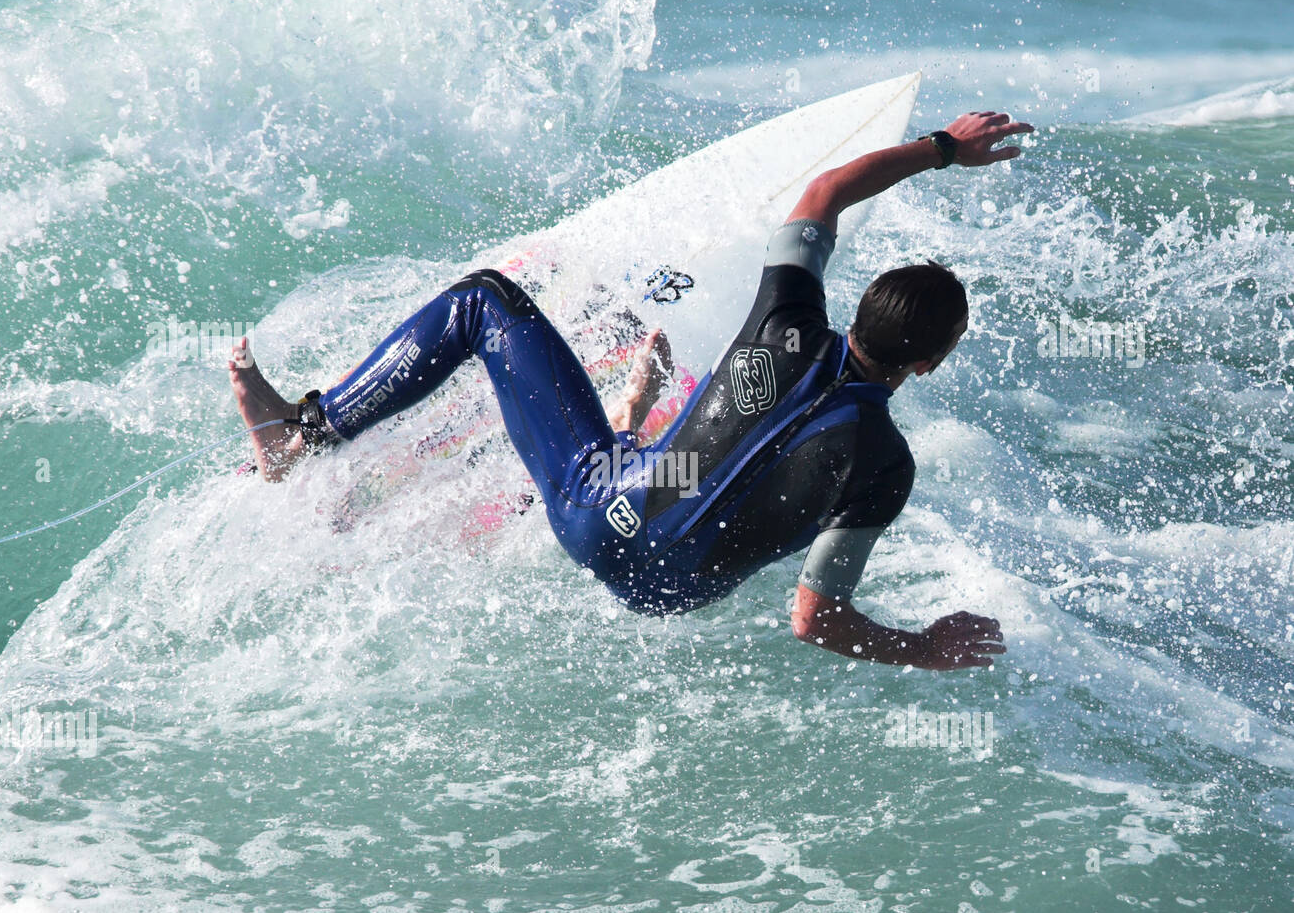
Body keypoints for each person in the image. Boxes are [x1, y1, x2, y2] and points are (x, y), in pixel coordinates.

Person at [229, 110, 1031, 669]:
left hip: (595, 512)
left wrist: (943, 149)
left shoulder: (784, 318)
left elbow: (822, 196)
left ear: (855, 310)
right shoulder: (888, 469)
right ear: (928, 364)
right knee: (684, 477)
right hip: (667, 594)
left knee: (483, 301)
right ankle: (632, 418)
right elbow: (814, 620)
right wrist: (923, 648)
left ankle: (305, 438)